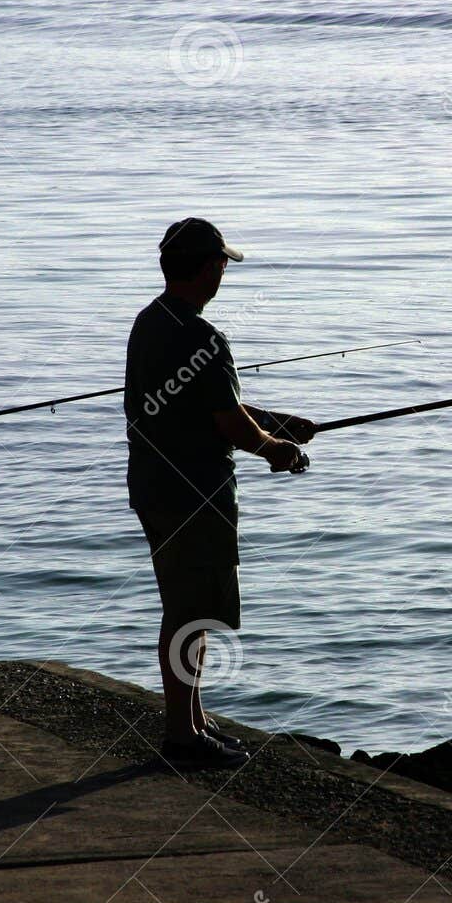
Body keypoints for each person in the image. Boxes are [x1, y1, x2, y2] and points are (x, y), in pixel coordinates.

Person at [125, 218, 314, 769]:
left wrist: (275, 422)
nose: (225, 271)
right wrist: (275, 449)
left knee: (186, 608)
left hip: (152, 486)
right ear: (210, 268)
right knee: (190, 613)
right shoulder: (205, 337)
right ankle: (182, 736)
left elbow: (209, 407)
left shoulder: (149, 322)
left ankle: (193, 720)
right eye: (223, 263)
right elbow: (230, 424)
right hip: (196, 493)